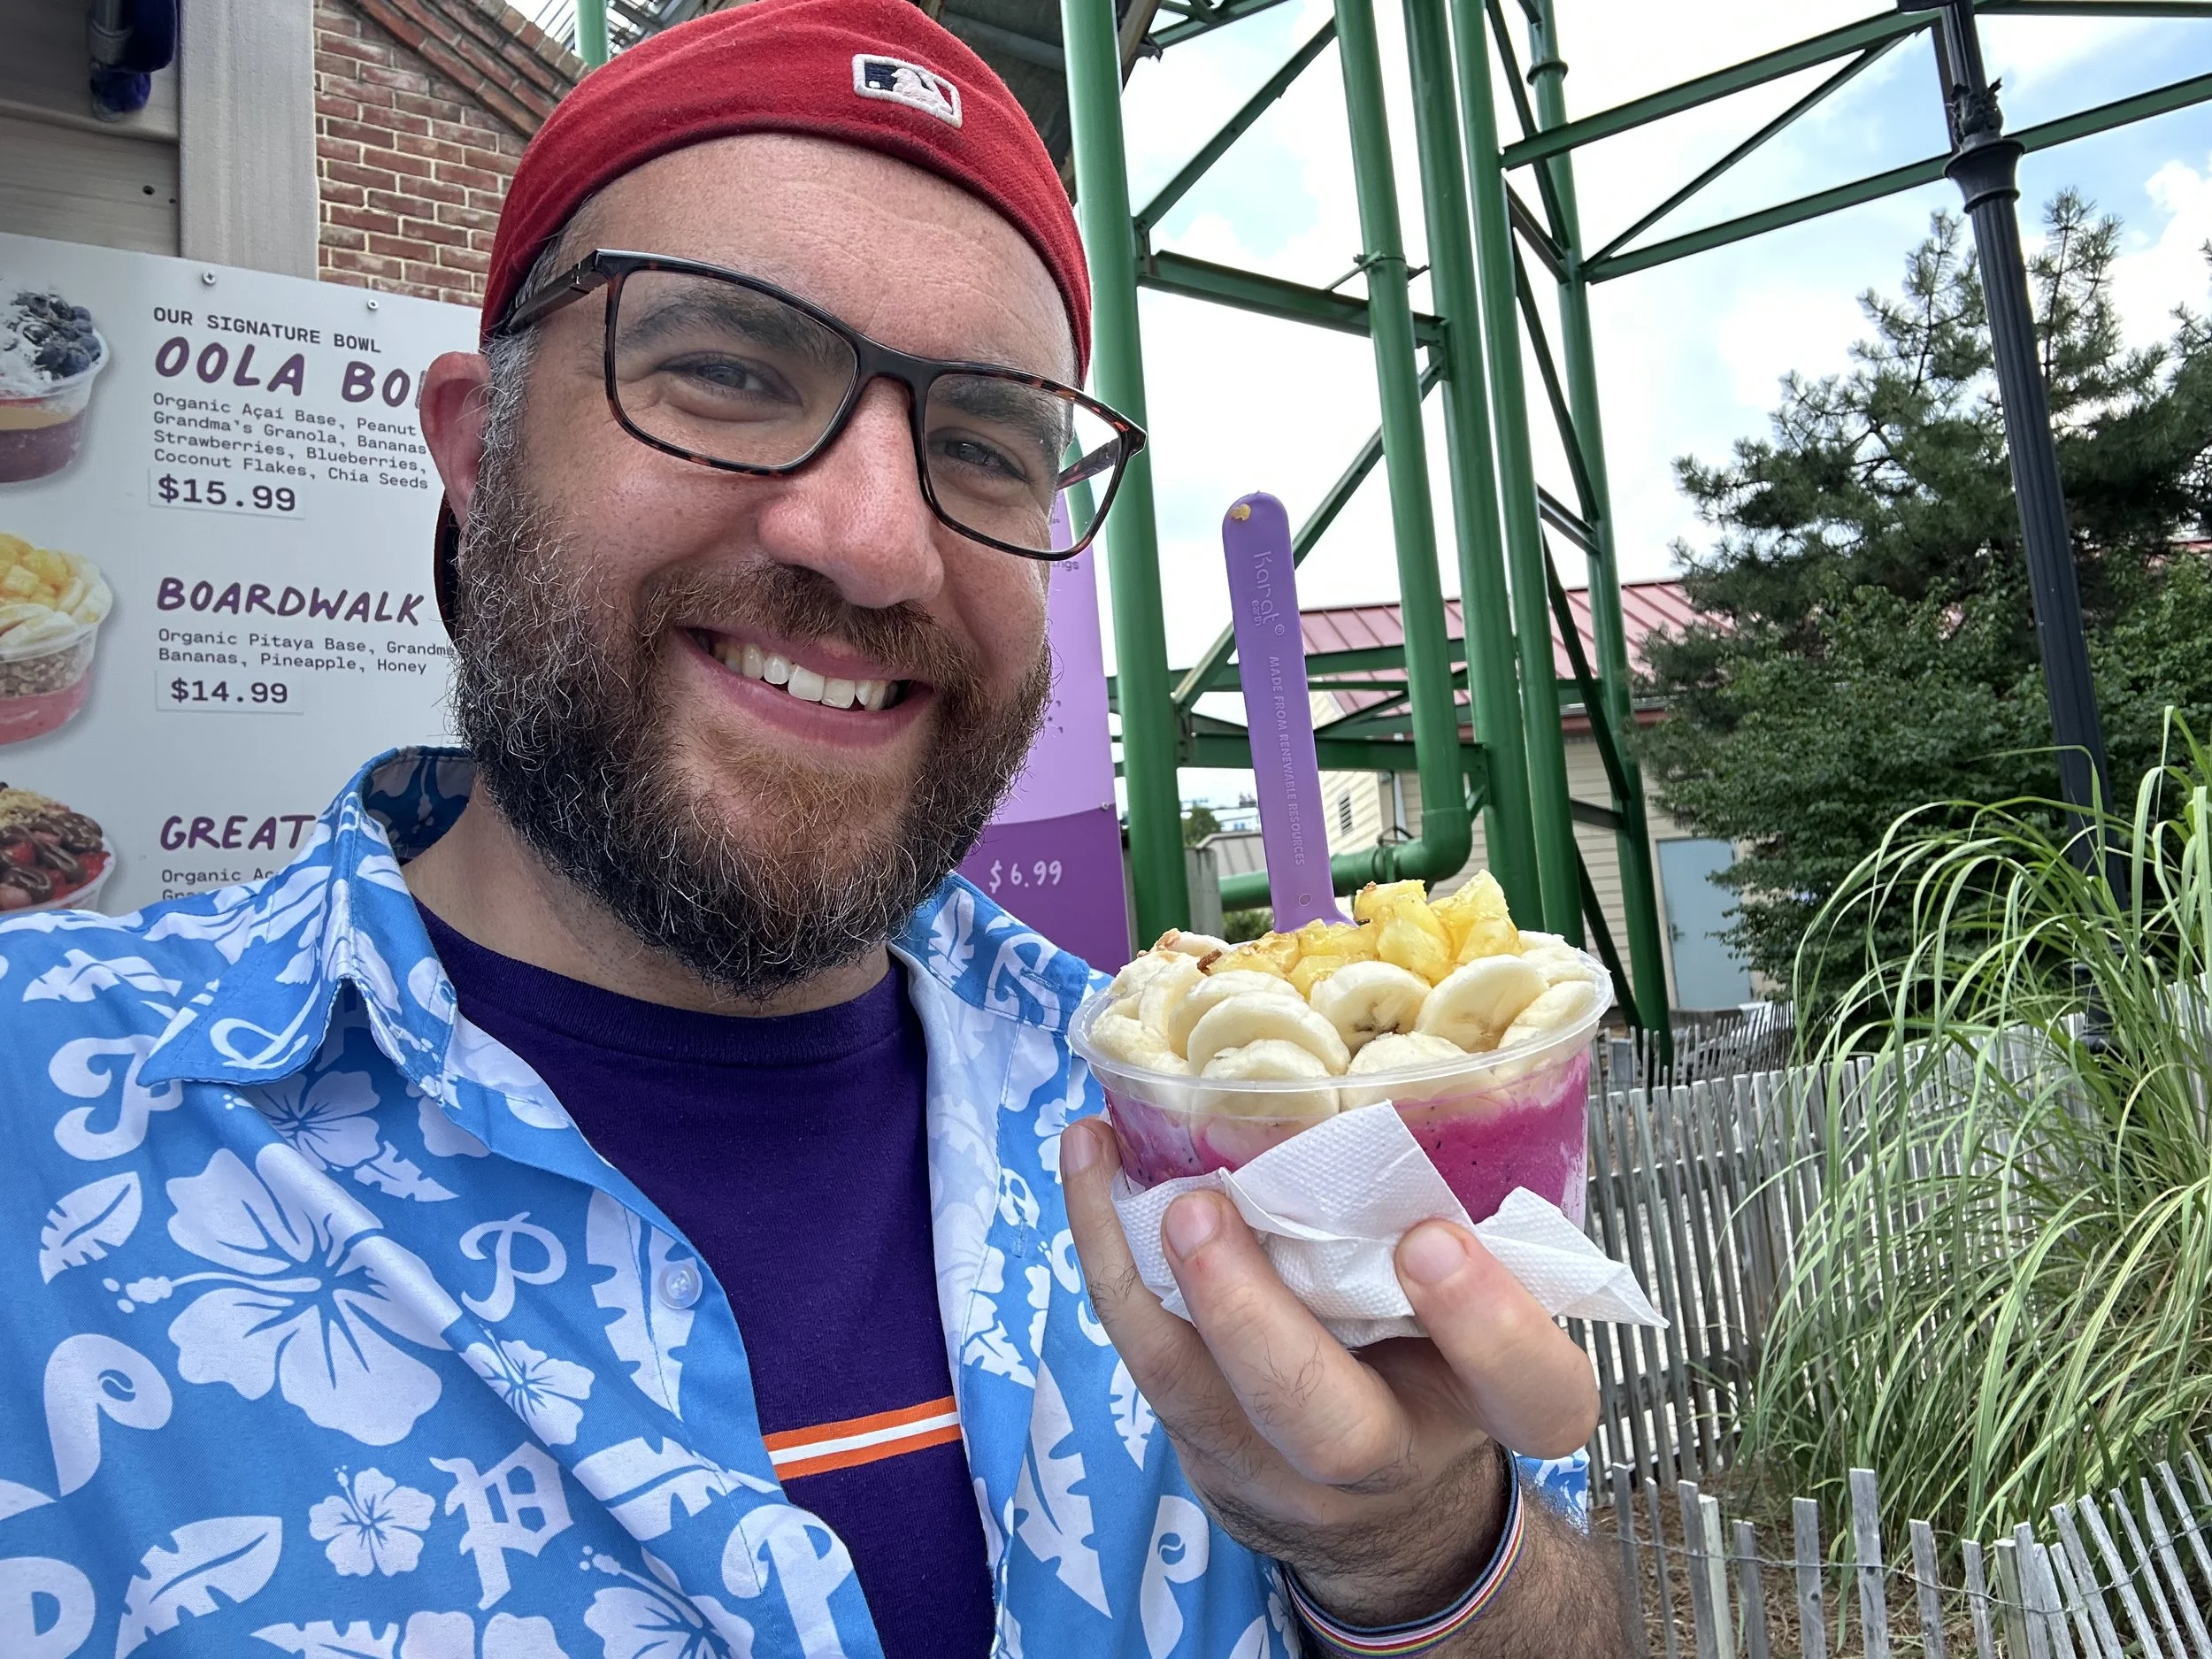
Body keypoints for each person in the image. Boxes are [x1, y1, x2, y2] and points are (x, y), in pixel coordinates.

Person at [0, 3, 1628, 1654]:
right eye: (725, 370)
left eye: (984, 445)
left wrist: (1418, 1558)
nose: (872, 540)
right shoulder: (40, 1117)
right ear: (477, 455)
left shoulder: (1213, 1127)